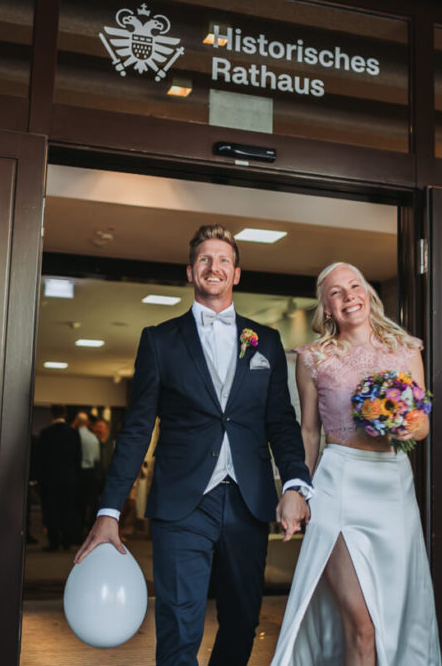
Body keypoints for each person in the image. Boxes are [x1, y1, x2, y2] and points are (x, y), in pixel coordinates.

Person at [75, 224, 314, 666]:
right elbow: (137, 429)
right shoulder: (159, 340)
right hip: (182, 503)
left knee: (242, 620)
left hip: (248, 501)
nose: (213, 267)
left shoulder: (266, 341)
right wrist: (109, 510)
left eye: (223, 260)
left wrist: (295, 483)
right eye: (205, 259)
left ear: (236, 274)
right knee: (179, 626)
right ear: (190, 271)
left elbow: (282, 422)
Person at [271, 262, 441, 666]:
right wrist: (297, 491)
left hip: (393, 488)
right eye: (336, 291)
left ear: (368, 294)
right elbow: (309, 432)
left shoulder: (406, 349)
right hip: (339, 484)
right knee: (361, 624)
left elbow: (423, 426)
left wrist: (402, 422)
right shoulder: (313, 359)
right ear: (326, 308)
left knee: (390, 620)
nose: (348, 295)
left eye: (354, 286)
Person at [37, 404, 82, 551]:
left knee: (51, 510)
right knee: (67, 510)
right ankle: (67, 541)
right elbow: (78, 457)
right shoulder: (73, 433)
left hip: (50, 479)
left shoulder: (45, 433)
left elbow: (40, 459)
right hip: (69, 479)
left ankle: (54, 542)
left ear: (51, 414)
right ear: (65, 414)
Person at [73, 411, 101, 524]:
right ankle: (87, 525)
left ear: (76, 421)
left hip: (76, 472)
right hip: (90, 473)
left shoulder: (74, 435)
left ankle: (77, 525)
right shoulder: (94, 438)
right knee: (88, 502)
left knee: (76, 502)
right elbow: (96, 458)